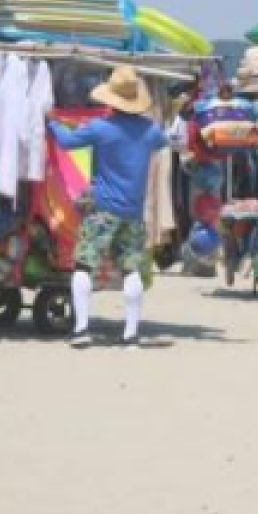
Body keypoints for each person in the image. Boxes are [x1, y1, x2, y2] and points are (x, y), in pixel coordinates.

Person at [48, 66, 169, 349]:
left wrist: (50, 122)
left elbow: (66, 142)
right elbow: (168, 141)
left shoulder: (101, 127)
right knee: (131, 270)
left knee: (83, 264)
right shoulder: (150, 130)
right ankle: (131, 334)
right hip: (133, 212)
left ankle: (81, 330)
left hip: (102, 209)